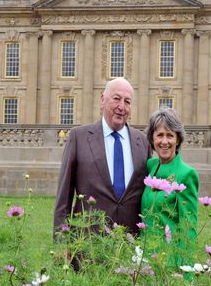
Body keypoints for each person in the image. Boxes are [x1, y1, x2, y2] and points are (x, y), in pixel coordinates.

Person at [53, 77, 151, 238]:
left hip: (131, 245)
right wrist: (61, 241)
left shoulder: (143, 142)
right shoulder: (79, 137)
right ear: (102, 100)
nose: (121, 106)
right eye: (116, 99)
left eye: (127, 102)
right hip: (89, 245)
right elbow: (64, 198)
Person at [140, 107, 199, 271]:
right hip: (144, 256)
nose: (164, 141)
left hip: (169, 261)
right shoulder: (150, 167)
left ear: (178, 139)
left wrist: (185, 272)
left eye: (170, 135)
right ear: (152, 139)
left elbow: (188, 229)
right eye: (159, 135)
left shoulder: (187, 174)